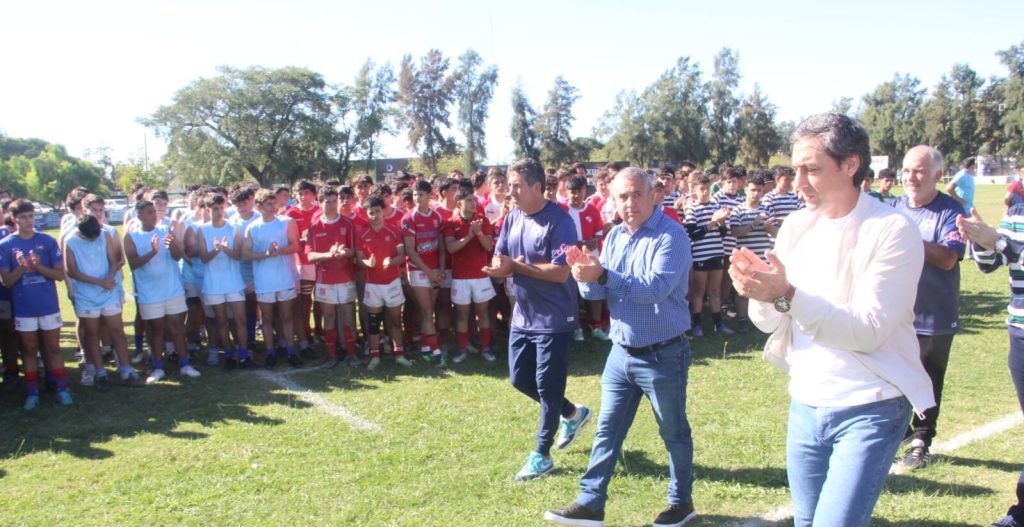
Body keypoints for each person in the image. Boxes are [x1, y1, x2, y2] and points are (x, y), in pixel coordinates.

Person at [730, 112, 934, 527]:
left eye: (812, 169)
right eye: (795, 169)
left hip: (870, 404)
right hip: (805, 402)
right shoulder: (795, 227)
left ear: (851, 164)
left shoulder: (892, 230)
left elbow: (867, 329)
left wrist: (785, 293)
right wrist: (758, 291)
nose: (798, 182)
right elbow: (771, 322)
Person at [544, 167, 697, 527]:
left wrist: (604, 276)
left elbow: (654, 289)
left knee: (673, 432)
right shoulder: (614, 237)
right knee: (607, 432)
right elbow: (600, 292)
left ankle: (681, 503)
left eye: (636, 194)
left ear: (652, 194)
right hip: (621, 352)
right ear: (613, 200)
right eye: (622, 197)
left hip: (664, 353)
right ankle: (590, 502)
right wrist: (585, 276)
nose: (630, 203)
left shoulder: (671, 235)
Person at [483, 157, 591, 481]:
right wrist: (499, 265)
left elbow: (560, 273)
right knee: (520, 379)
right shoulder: (512, 216)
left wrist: (514, 268)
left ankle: (541, 455)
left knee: (548, 385)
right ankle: (573, 413)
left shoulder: (560, 221)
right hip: (523, 314)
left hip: (555, 316)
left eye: (516, 186)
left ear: (536, 187)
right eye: (509, 185)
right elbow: (500, 253)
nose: (510, 192)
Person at [890, 145, 966, 470]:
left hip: (933, 313)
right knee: (891, 377)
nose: (911, 177)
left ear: (937, 174)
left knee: (928, 379)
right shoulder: (893, 208)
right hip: (893, 313)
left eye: (919, 170)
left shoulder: (951, 210)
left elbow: (948, 258)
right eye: (906, 170)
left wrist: (904, 239)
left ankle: (921, 440)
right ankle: (894, 435)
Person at [958, 197, 1024, 527]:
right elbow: (989, 265)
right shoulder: (1015, 214)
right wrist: (980, 241)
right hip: (1020, 333)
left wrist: (997, 241)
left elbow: (1008, 249)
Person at [0, 200, 73, 409]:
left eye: (31, 216)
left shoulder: (47, 241)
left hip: (48, 305)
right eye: (23, 217)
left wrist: (39, 266)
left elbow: (59, 274)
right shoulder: (5, 245)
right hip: (24, 308)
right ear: (14, 219)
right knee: (29, 349)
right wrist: (22, 269)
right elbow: (6, 281)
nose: (28, 221)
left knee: (53, 347)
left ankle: (62, 388)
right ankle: (32, 392)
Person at [124, 199, 200, 384]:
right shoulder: (131, 237)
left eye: (154, 211)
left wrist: (172, 245)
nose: (153, 215)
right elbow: (133, 264)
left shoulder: (166, 231)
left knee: (177, 328)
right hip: (149, 293)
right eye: (149, 212)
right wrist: (152, 251)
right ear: (139, 215)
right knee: (155, 329)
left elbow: (176, 256)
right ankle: (158, 367)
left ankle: (185, 364)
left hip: (172, 289)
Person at [64, 214, 140, 388]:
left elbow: (114, 261)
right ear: (81, 233)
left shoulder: (104, 234)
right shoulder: (70, 242)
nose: (95, 239)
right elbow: (72, 271)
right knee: (92, 334)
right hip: (86, 297)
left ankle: (126, 370)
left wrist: (110, 277)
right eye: (91, 237)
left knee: (118, 331)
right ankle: (100, 373)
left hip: (109, 293)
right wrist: (99, 282)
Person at [242, 189, 304, 369]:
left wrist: (279, 251)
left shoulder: (286, 222)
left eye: (274, 203)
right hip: (264, 281)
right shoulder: (252, 228)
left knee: (287, 316)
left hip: (284, 278)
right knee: (267, 319)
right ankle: (270, 352)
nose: (273, 207)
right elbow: (246, 254)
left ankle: (291, 350)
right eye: (268, 204)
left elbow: (295, 246)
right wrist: (265, 254)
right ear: (259, 206)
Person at [356, 195, 411, 371]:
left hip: (392, 283)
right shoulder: (362, 234)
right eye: (370, 213)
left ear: (383, 212)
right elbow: (358, 259)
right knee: (373, 323)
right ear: (366, 214)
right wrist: (367, 263)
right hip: (373, 284)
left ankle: (399, 355)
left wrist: (392, 261)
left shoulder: (394, 231)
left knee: (395, 320)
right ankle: (375, 356)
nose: (374, 215)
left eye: (377, 211)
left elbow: (402, 256)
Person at [198, 193, 252, 370]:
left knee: (240, 320)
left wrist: (225, 248)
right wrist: (215, 250)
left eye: (221, 208)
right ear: (208, 209)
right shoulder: (203, 230)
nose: (219, 212)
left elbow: (238, 255)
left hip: (233, 282)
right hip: (214, 284)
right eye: (215, 209)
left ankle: (243, 354)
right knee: (221, 320)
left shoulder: (233, 228)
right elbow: (204, 258)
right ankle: (228, 353)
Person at [307, 186, 359, 369]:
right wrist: (328, 255)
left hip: (345, 277)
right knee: (328, 317)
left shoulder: (347, 224)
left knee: (348, 316)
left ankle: (351, 354)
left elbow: (354, 252)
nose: (330, 205)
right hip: (325, 279)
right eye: (326, 202)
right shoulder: (314, 227)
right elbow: (310, 256)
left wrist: (345, 252)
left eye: (333, 201)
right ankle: (331, 355)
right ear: (320, 204)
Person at [444, 186, 496, 364]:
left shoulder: (482, 220)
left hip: (480, 275)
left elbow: (489, 246)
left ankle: (486, 348)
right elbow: (451, 248)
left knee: (483, 312)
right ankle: (462, 349)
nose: (474, 203)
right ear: (459, 203)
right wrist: (468, 236)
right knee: (462, 315)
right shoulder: (451, 222)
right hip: (460, 278)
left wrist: (479, 232)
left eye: (474, 200)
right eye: (469, 200)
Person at [401, 180, 446, 367]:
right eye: (415, 195)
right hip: (418, 270)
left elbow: (442, 246)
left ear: (430, 195)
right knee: (427, 310)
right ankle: (436, 353)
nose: (417, 198)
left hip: (435, 270)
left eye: (421, 194)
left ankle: (425, 348)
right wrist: (429, 272)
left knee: (429, 311)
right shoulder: (408, 218)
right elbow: (410, 250)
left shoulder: (437, 217)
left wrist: (441, 270)